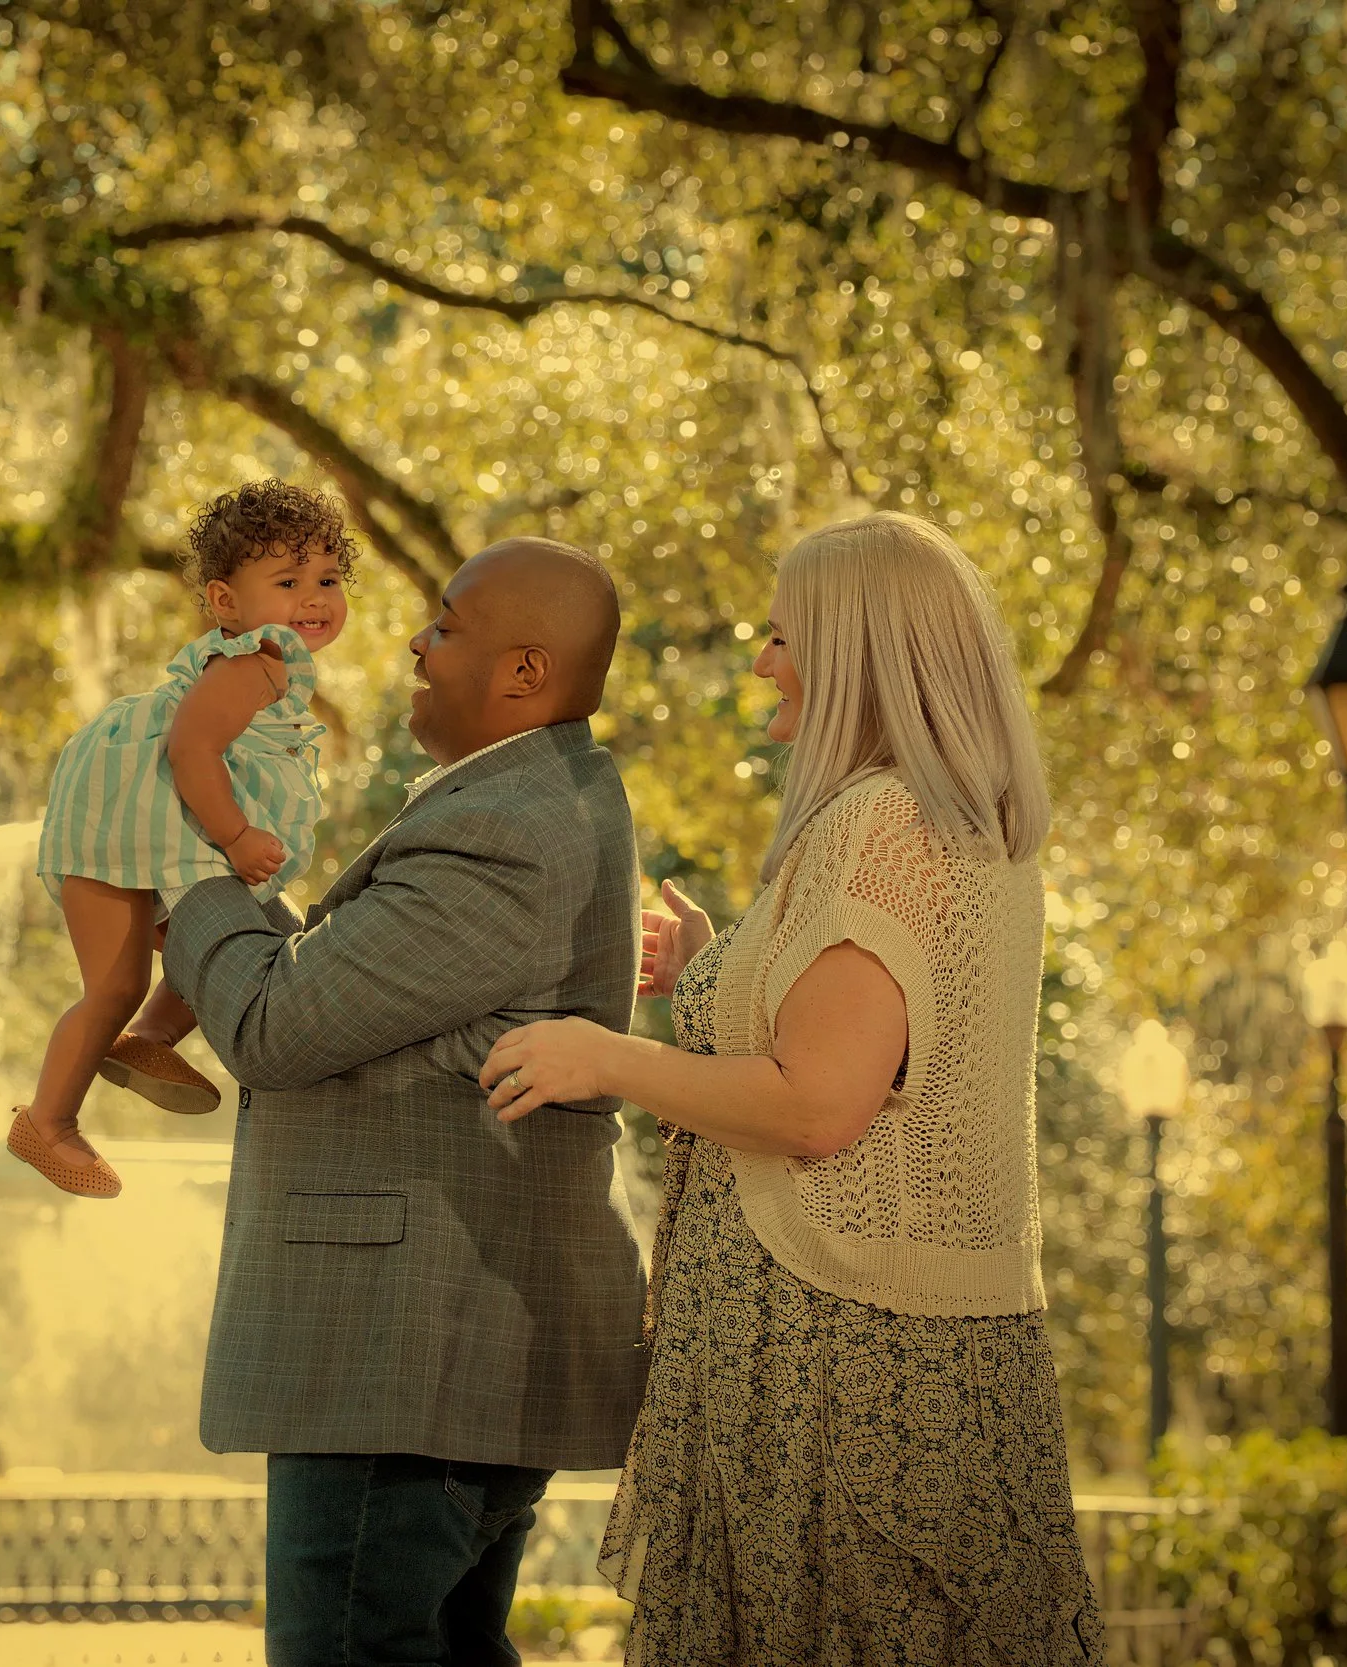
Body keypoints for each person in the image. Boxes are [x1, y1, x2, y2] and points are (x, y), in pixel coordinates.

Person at [481, 512, 1104, 1665]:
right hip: (877, 1343)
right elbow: (852, 1055)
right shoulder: (949, 820)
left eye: (782, 633)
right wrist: (720, 973)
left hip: (837, 1352)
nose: (762, 658)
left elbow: (818, 1108)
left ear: (858, 648)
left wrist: (598, 1052)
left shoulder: (880, 819)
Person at [160, 537, 647, 1667]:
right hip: (428, 1356)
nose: (415, 643)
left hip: (406, 1353)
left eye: (446, 623)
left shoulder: (507, 828)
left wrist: (185, 880)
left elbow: (277, 1027)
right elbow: (329, 997)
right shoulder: (528, 801)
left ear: (524, 671)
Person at [18, 482, 353, 1199]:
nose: (314, 596)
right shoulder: (258, 658)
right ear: (227, 601)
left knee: (230, 937)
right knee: (114, 981)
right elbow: (191, 750)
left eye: (327, 579)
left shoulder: (276, 663)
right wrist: (233, 835)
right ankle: (48, 1121)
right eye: (288, 581)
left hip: (152, 823)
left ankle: (151, 1037)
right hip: (116, 822)